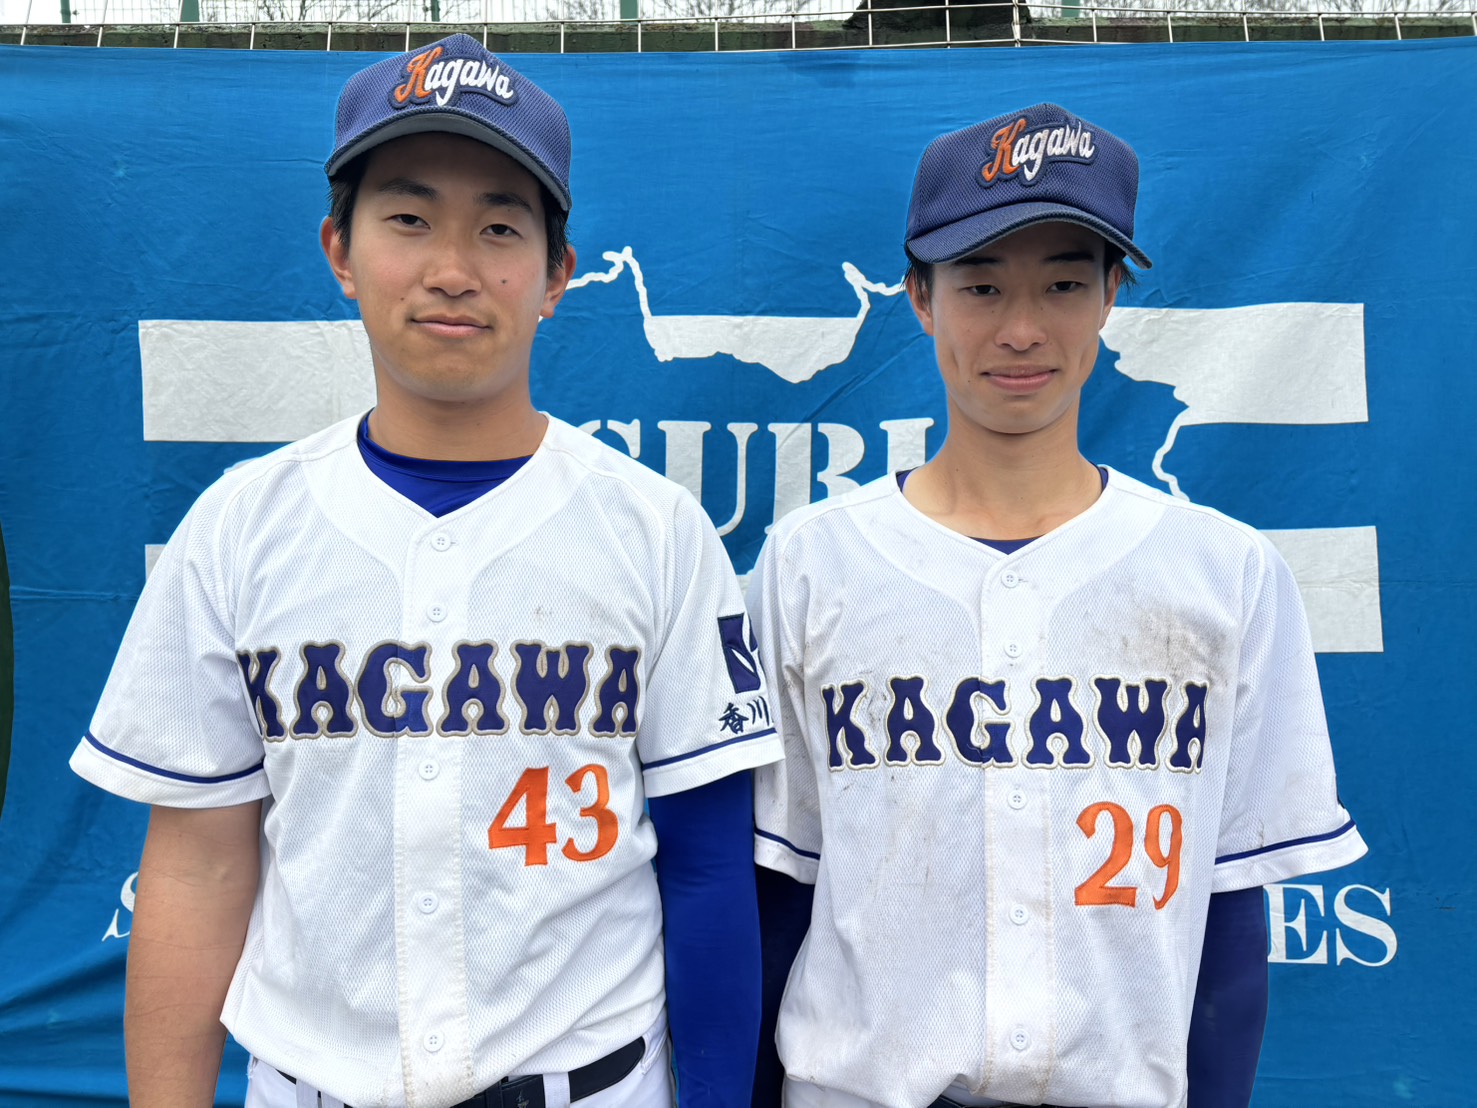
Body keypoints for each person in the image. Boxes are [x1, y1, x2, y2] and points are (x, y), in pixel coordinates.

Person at [71, 34, 780, 1108]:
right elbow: (198, 864)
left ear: (556, 274)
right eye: (408, 219)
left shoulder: (657, 530)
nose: (453, 269)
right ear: (340, 251)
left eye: (499, 227)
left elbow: (707, 862)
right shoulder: (240, 527)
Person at [747, 103, 1367, 1108]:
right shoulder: (810, 564)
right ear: (919, 296)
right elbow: (781, 889)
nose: (1022, 328)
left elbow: (1228, 917)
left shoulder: (1225, 573)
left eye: (1064, 284)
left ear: (1112, 294)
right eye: (981, 284)